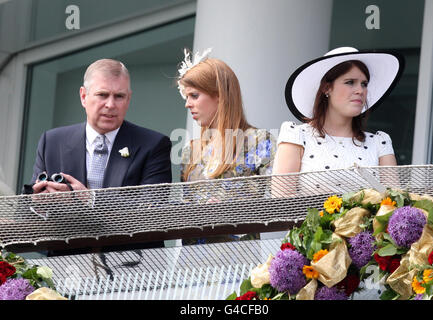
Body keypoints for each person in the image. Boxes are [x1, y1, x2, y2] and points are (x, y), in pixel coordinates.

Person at [27, 58, 172, 254]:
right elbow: (27, 213)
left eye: (119, 96)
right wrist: (39, 205)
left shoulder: (153, 145)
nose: (110, 105)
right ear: (83, 96)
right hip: (67, 268)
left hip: (133, 269)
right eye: (102, 95)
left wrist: (91, 199)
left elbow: (154, 211)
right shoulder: (52, 142)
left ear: (128, 99)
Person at [177, 49, 276, 244]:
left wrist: (231, 210)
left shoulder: (258, 140)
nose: (188, 104)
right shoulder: (190, 150)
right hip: (192, 264)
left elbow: (280, 201)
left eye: (194, 96)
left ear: (220, 95)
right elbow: (184, 211)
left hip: (239, 263)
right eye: (186, 97)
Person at [273, 47, 404, 192]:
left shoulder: (379, 143)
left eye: (364, 84)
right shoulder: (297, 136)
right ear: (327, 88)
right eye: (350, 82)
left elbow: (394, 205)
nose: (360, 90)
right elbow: (281, 204)